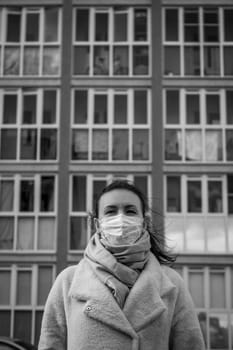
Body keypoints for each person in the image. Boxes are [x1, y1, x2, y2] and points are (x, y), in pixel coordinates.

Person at [38, 180, 205, 350]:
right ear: (97, 225)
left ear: (144, 223)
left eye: (130, 211)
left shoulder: (171, 283)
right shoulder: (68, 281)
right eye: (110, 211)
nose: (121, 218)